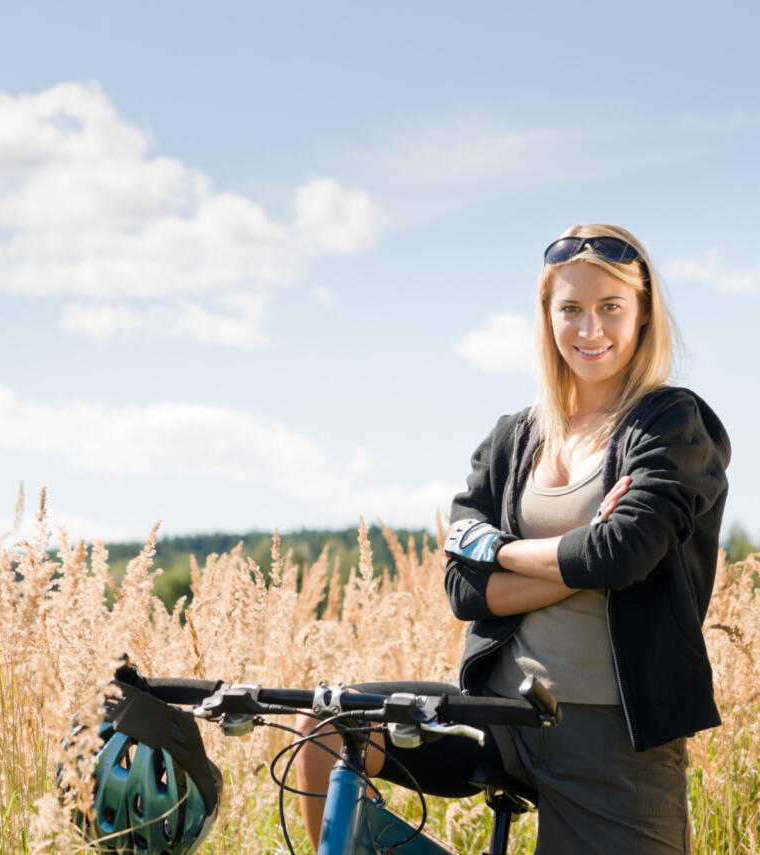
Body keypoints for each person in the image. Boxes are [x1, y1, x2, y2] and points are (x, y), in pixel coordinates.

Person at [294, 223, 730, 854]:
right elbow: (464, 588)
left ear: (642, 315)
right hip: (497, 715)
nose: (590, 329)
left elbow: (621, 555)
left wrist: (496, 550)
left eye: (610, 307)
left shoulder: (671, 424)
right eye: (571, 309)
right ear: (548, 317)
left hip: (613, 739)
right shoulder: (512, 439)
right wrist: (579, 556)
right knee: (328, 726)